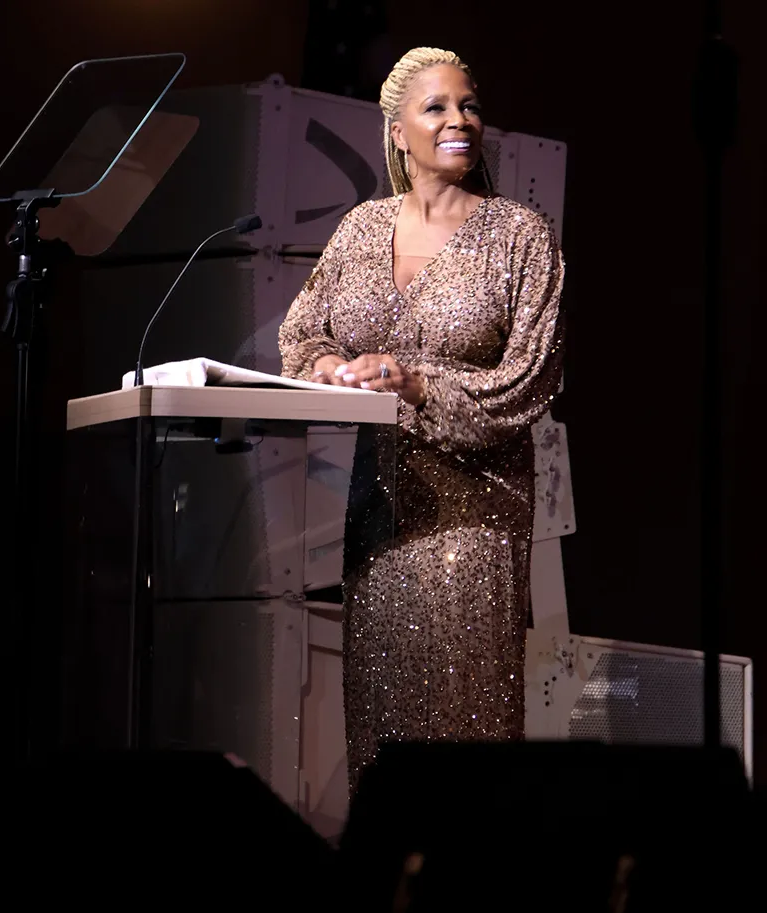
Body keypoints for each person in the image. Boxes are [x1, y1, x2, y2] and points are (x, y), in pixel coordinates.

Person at [279, 46, 565, 791]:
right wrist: (324, 368)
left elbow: (527, 382)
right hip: (378, 513)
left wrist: (415, 384)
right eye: (436, 108)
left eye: (468, 104)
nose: (459, 120)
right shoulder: (360, 229)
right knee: (383, 735)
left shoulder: (518, 235)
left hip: (473, 520)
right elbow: (303, 330)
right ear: (397, 132)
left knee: (464, 734)